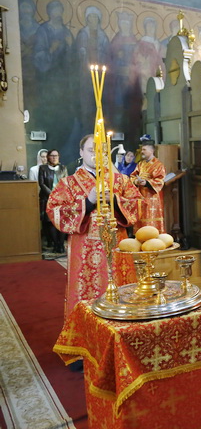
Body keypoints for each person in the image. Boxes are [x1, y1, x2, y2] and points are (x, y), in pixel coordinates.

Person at [46, 135, 140, 320]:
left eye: (101, 151)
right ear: (81, 152)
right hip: (84, 251)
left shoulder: (120, 180)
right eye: (91, 151)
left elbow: (138, 204)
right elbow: (54, 210)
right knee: (87, 299)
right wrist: (88, 203)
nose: (97, 156)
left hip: (117, 248)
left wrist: (113, 200)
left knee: (123, 296)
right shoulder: (69, 183)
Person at [130, 138, 166, 231]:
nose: (142, 152)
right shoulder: (140, 164)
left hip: (152, 197)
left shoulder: (158, 165)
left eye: (144, 150)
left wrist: (146, 183)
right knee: (141, 219)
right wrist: (136, 181)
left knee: (151, 221)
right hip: (140, 195)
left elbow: (160, 181)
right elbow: (133, 176)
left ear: (152, 150)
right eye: (142, 149)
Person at [38, 149, 68, 254]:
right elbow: (41, 184)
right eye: (52, 155)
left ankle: (61, 245)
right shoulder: (43, 168)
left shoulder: (63, 168)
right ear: (48, 157)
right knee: (51, 222)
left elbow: (66, 183)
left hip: (62, 199)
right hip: (47, 199)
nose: (54, 157)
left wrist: (60, 195)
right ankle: (55, 244)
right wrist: (52, 195)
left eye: (56, 155)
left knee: (62, 221)